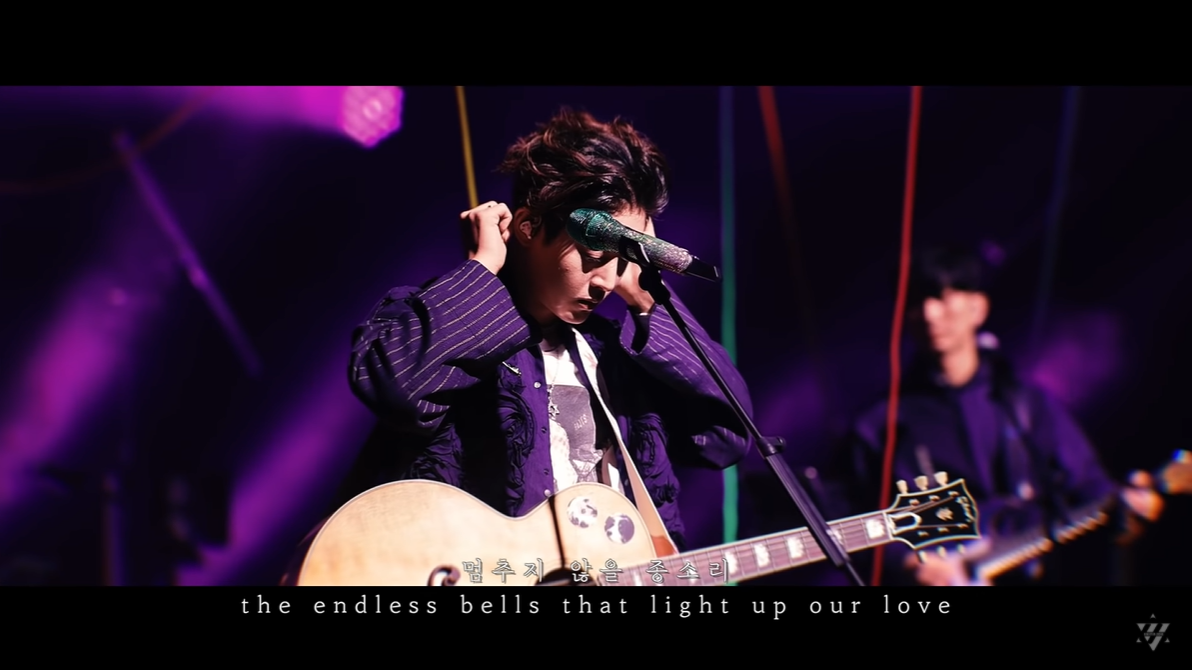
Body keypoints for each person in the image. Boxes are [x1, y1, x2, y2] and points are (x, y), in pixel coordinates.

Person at [335, 108, 752, 557]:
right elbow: (397, 387)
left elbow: (726, 438)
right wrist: (483, 267)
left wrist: (647, 297)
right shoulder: (448, 318)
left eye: (623, 259)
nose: (606, 281)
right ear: (529, 226)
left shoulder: (616, 355)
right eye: (595, 255)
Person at [823, 246, 1165, 586]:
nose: (928, 313)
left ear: (978, 307)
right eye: (914, 301)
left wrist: (1126, 502)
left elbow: (1087, 485)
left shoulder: (1025, 405)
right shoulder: (879, 425)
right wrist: (911, 563)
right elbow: (850, 525)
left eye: (941, 296)